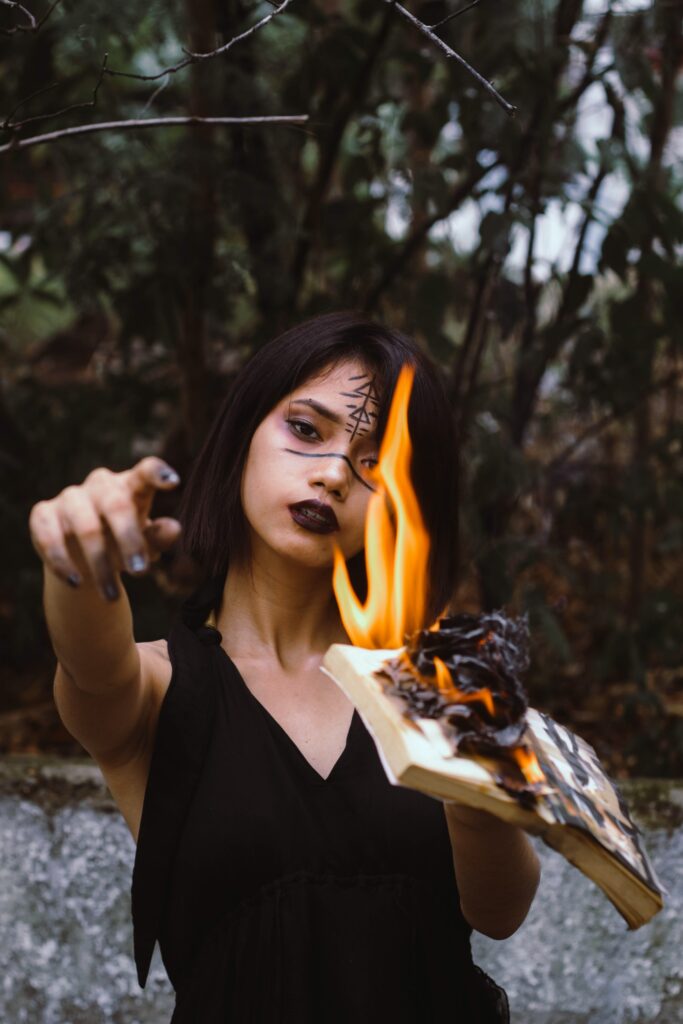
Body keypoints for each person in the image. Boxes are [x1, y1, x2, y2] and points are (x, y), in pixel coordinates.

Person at [30, 311, 540, 1023]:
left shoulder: (434, 690)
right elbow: (90, 662)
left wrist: (471, 788)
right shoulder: (154, 687)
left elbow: (498, 912)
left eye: (374, 461)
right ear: (243, 435)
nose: (333, 474)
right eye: (305, 430)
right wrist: (77, 550)